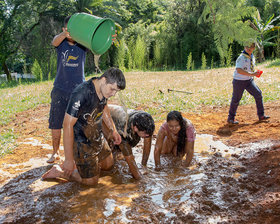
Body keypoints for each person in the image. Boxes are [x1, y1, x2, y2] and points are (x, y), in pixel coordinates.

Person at [42, 67, 126, 186]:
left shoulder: (103, 90)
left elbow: (104, 107)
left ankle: (87, 168)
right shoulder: (81, 93)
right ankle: (60, 171)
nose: (113, 94)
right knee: (91, 183)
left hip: (96, 135)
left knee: (109, 165)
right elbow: (67, 125)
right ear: (103, 80)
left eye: (116, 91)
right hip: (81, 141)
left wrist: (113, 130)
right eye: (112, 89)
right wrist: (69, 160)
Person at [47, 15, 87, 163]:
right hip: (60, 88)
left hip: (78, 91)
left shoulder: (83, 44)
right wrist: (64, 34)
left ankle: (75, 152)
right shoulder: (61, 42)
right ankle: (55, 152)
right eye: (71, 29)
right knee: (56, 122)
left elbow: (96, 44)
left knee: (77, 123)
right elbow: (54, 41)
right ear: (65, 29)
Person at [102, 105, 155, 180]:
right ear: (135, 128)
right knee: (109, 161)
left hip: (119, 117)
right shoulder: (123, 130)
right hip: (102, 119)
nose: (148, 136)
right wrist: (142, 181)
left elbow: (147, 143)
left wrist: (144, 165)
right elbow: (130, 159)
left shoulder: (146, 121)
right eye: (145, 134)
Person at [227, 41, 270, 124]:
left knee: (258, 94)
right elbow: (239, 70)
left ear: (254, 48)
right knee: (236, 99)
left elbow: (248, 68)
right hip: (239, 81)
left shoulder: (252, 56)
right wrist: (251, 74)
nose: (249, 49)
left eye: (251, 47)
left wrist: (255, 73)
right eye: (247, 47)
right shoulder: (241, 58)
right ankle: (230, 118)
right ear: (244, 47)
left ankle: (261, 115)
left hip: (249, 80)